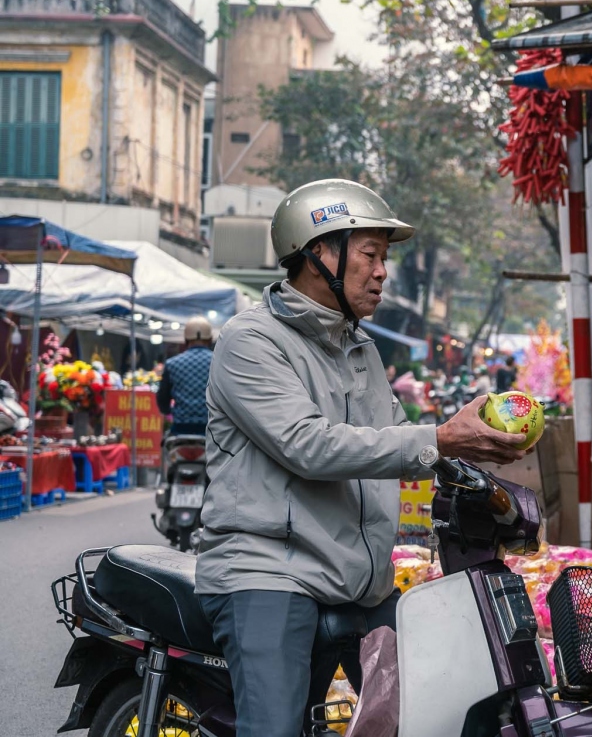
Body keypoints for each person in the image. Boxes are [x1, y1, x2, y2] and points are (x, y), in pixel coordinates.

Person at [196, 179, 528, 737]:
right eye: (370, 255)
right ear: (318, 254)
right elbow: (309, 445)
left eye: (384, 258)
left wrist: (473, 457)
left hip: (359, 579)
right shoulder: (250, 341)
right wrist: (441, 439)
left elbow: (397, 437)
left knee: (432, 710)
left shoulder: (361, 347)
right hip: (267, 572)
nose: (382, 272)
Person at [155, 316, 215, 436]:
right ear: (210, 339)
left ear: (186, 340)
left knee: (166, 450)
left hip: (180, 429)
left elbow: (162, 399)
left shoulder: (172, 364)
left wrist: (168, 411)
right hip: (211, 430)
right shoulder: (219, 362)